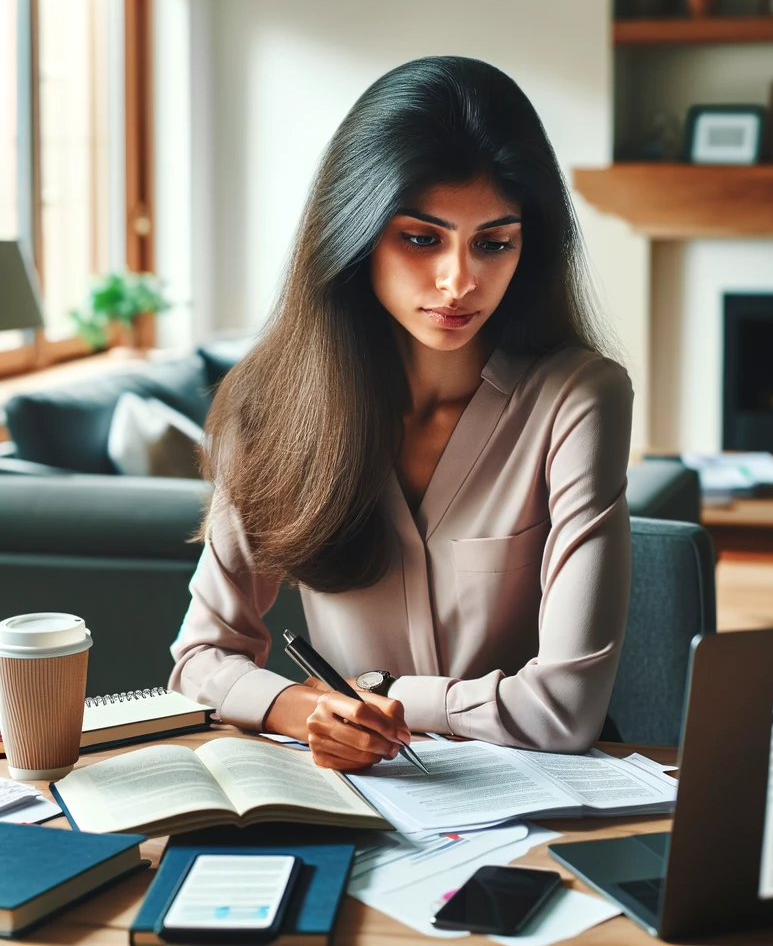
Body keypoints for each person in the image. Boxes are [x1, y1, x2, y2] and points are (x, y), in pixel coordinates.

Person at [170, 56, 633, 772]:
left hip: (542, 795)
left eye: (494, 242)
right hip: (358, 796)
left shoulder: (579, 400)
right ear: (355, 234)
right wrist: (313, 712)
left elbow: (567, 707)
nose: (460, 281)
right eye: (421, 238)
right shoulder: (268, 408)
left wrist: (383, 695)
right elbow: (200, 657)